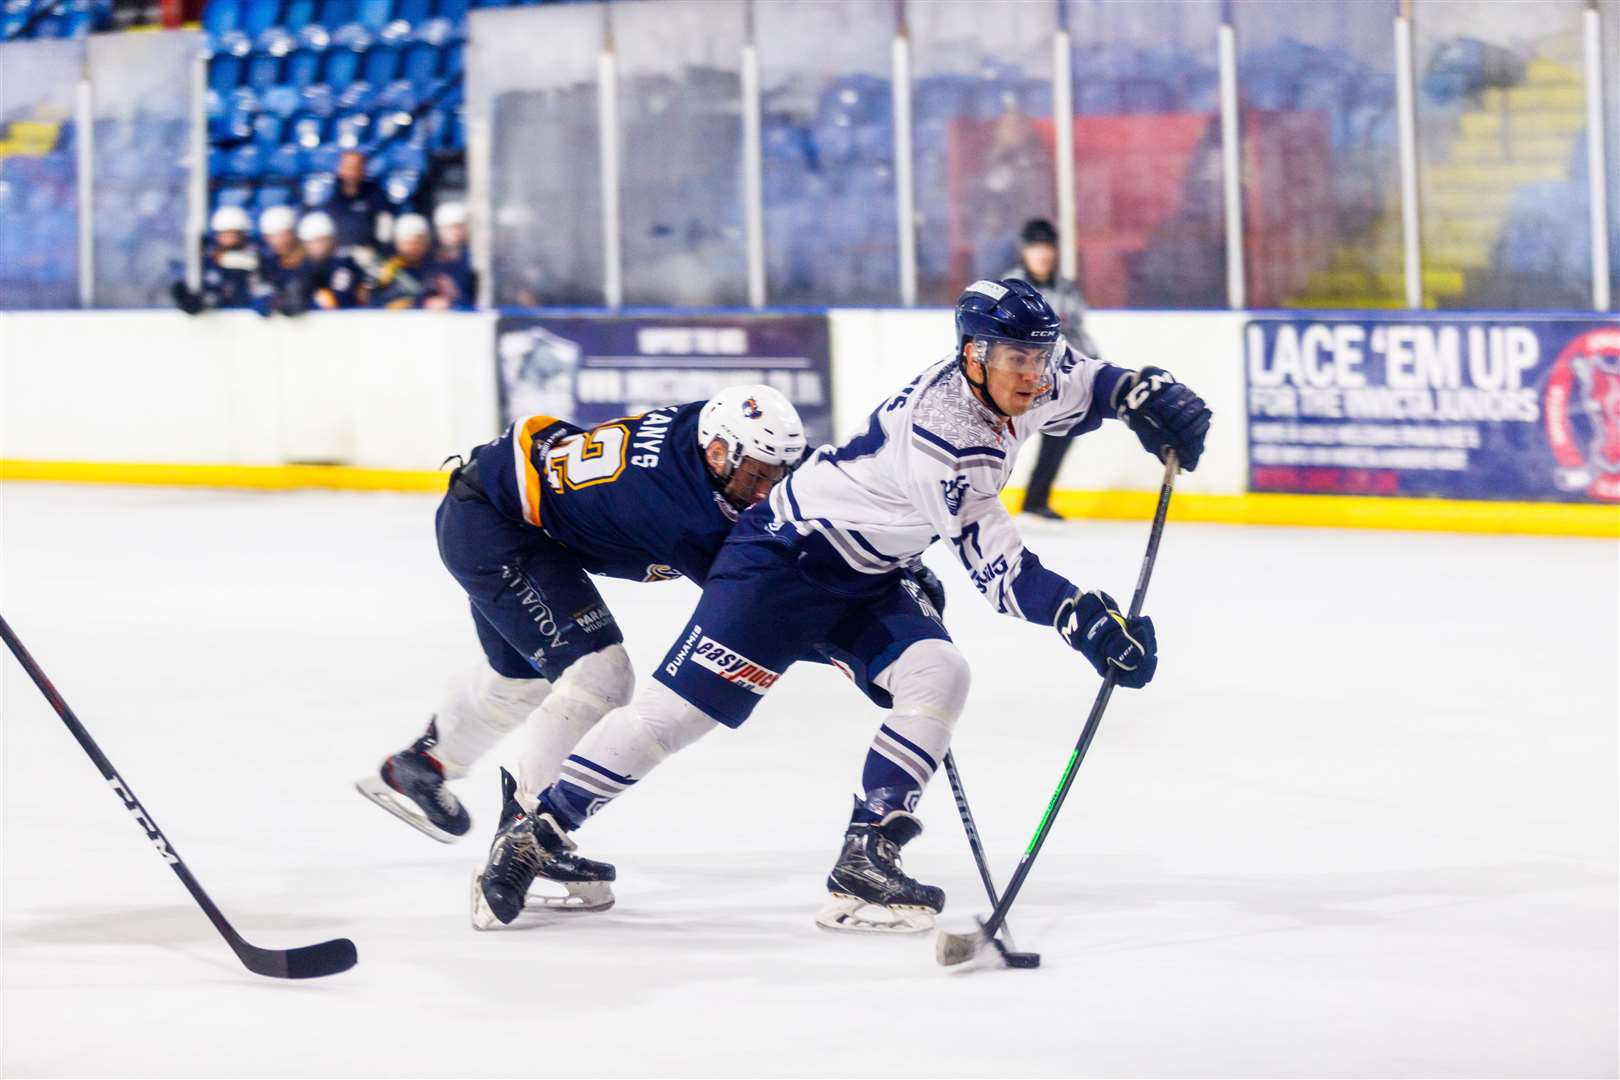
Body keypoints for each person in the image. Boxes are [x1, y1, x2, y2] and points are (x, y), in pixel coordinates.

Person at [505, 279, 1211, 934]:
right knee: (673, 720)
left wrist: (1146, 396)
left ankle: (865, 859)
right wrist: (1083, 617)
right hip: (784, 560)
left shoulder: (1024, 376)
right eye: (1018, 360)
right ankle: (540, 829)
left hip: (870, 568)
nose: (1035, 375)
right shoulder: (946, 439)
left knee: (938, 672)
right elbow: (1001, 573)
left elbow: (1093, 383)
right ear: (974, 355)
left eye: (1039, 356)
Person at [357, 386, 808, 916]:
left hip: (504, 510)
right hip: (496, 527)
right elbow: (757, 599)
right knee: (600, 675)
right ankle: (527, 837)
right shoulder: (684, 512)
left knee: (522, 678)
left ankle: (421, 763)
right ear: (717, 452)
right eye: (755, 475)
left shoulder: (708, 429)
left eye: (776, 473)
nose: (765, 490)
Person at [1002, 218, 1100, 521]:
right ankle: (978, 499)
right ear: (1024, 251)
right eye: (1035, 248)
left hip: (1054, 378)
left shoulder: (1067, 289)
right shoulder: (1011, 286)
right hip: (1014, 377)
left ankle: (1035, 498)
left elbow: (1078, 331)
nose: (1042, 254)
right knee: (997, 437)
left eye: (1047, 248)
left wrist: (1094, 365)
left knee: (1064, 428)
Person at [171, 205, 260, 314]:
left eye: (233, 233)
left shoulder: (253, 251)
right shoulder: (208, 254)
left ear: (242, 234)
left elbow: (250, 265)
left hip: (243, 306)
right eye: (224, 233)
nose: (229, 237)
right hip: (215, 309)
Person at [322, 149, 390, 256]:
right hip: (334, 257)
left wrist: (378, 250)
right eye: (347, 167)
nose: (351, 172)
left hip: (367, 254)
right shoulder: (329, 195)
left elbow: (385, 228)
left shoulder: (375, 194)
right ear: (339, 169)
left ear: (363, 170)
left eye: (356, 167)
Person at [291, 211, 365, 310]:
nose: (316, 246)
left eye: (320, 240)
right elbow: (296, 291)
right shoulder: (306, 265)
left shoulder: (342, 264)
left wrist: (311, 301)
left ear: (331, 239)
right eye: (311, 242)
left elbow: (342, 299)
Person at [368, 213, 438, 309]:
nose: (413, 248)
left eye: (417, 243)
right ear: (398, 243)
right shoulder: (387, 269)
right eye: (408, 243)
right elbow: (370, 301)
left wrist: (414, 303)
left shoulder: (437, 267)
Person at [252, 205, 305, 316]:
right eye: (271, 236)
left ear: (293, 233)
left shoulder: (310, 262)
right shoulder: (266, 264)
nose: (278, 241)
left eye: (282, 235)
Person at [427, 200, 478, 309]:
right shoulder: (429, 258)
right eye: (450, 228)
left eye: (460, 227)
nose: (456, 232)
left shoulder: (473, 258)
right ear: (440, 230)